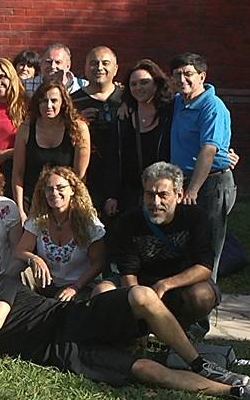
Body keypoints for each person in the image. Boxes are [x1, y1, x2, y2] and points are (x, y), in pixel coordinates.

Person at [0, 260, 250, 400]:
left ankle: (197, 363)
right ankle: (233, 390)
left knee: (141, 296)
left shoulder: (1, 285)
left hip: (73, 318)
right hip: (64, 354)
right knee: (146, 371)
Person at [114, 161, 220, 341]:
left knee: (203, 296)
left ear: (179, 195)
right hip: (142, 285)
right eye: (150, 194)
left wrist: (165, 285)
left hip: (181, 286)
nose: (155, 202)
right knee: (102, 290)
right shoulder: (128, 221)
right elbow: (128, 272)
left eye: (163, 195)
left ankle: (186, 332)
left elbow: (204, 266)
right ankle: (132, 334)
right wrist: (139, 299)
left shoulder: (196, 218)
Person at [169, 53, 235, 280]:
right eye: (177, 75)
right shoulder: (179, 101)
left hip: (212, 183)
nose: (182, 79)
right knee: (187, 245)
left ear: (202, 76)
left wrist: (193, 190)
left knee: (207, 249)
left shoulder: (212, 106)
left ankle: (205, 305)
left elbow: (208, 150)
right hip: (186, 182)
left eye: (188, 74)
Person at [14, 166, 112, 301]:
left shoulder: (88, 222)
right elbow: (20, 250)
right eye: (49, 189)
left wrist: (75, 287)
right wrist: (34, 259)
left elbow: (98, 263)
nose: (54, 193)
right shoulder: (39, 219)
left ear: (72, 190)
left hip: (81, 285)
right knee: (19, 269)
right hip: (47, 283)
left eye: (60, 187)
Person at [12, 81, 91, 222]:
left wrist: (70, 206)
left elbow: (80, 176)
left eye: (54, 100)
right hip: (33, 199)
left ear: (63, 102)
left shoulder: (78, 128)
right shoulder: (25, 129)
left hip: (65, 199)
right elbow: (18, 174)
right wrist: (20, 210)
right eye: (43, 101)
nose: (48, 106)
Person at [114, 59, 173, 214]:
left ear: (156, 83)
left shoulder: (171, 115)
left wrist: (221, 155)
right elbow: (114, 159)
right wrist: (112, 195)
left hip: (162, 193)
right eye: (133, 84)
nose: (138, 88)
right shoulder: (123, 118)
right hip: (131, 196)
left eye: (144, 82)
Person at [72, 46, 123, 216]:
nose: (99, 68)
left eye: (105, 63)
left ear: (115, 69)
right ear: (85, 68)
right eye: (94, 63)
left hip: (122, 177)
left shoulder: (127, 98)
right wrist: (77, 120)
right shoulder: (72, 101)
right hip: (86, 177)